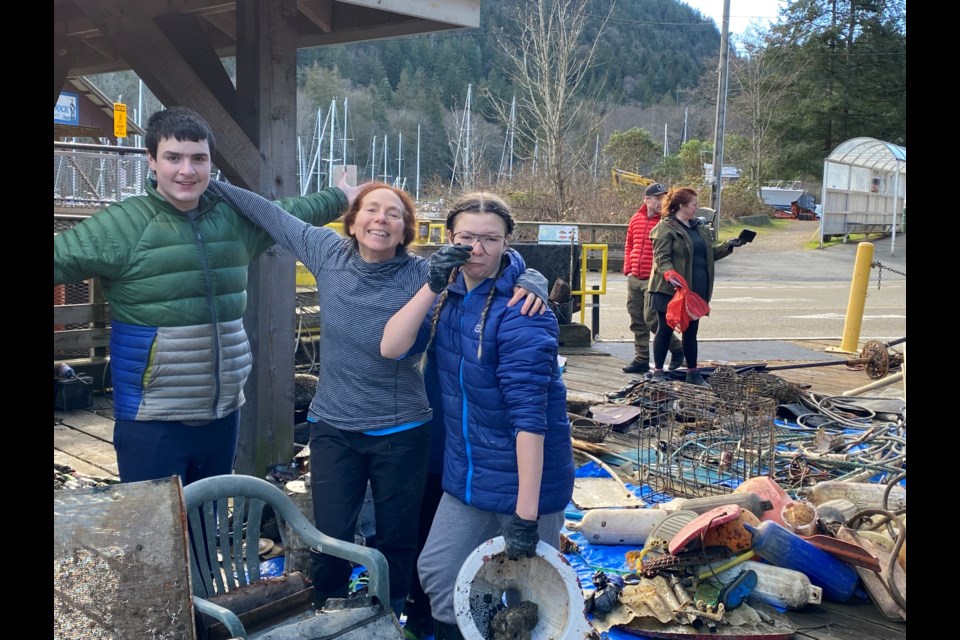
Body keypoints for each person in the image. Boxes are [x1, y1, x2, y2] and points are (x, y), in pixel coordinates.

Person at [204, 179, 548, 624]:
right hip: (334, 426)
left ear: (407, 229)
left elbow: (487, 258)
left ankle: (389, 618)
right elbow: (270, 214)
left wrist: (532, 279)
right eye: (371, 210)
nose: (380, 220)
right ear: (353, 220)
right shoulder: (326, 251)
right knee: (329, 535)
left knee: (397, 537)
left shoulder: (423, 272)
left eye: (393, 214)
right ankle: (328, 618)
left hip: (401, 428)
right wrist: (210, 182)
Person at [52, 106, 351, 486]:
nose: (186, 171)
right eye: (173, 158)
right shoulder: (123, 224)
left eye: (198, 158)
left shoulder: (233, 219)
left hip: (223, 415)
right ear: (152, 160)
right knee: (156, 537)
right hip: (152, 420)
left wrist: (341, 197)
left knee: (206, 529)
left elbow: (292, 214)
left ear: (211, 161)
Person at [380, 192, 575, 640]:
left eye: (490, 239)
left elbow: (530, 418)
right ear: (450, 239)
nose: (477, 249)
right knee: (438, 571)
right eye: (466, 237)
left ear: (508, 242)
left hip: (527, 480)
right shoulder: (447, 297)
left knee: (527, 592)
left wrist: (526, 514)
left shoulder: (523, 311)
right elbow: (391, 347)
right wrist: (431, 283)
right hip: (467, 475)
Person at [647, 187, 745, 385]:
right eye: (694, 204)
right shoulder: (665, 228)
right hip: (669, 290)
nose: (696, 208)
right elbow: (661, 259)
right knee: (665, 330)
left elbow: (708, 254)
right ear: (681, 205)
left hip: (695, 290)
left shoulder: (698, 227)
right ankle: (658, 372)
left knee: (691, 331)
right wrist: (670, 274)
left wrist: (729, 245)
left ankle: (693, 373)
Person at [622, 182, 684, 375]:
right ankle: (641, 358)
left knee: (652, 320)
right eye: (657, 198)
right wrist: (628, 270)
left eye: (664, 197)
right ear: (646, 199)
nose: (661, 201)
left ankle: (677, 349)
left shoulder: (667, 221)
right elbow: (629, 245)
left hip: (654, 279)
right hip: (635, 277)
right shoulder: (636, 219)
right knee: (636, 320)